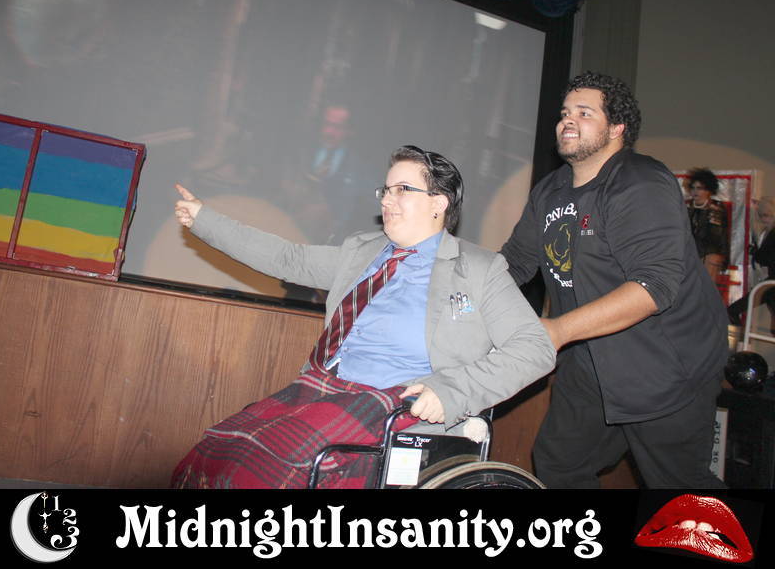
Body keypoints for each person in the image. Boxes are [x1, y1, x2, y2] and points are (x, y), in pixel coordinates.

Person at [171, 145, 555, 488]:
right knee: (216, 452)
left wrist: (453, 392)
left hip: (396, 404)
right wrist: (206, 221)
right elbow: (289, 259)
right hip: (323, 387)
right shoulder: (361, 251)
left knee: (266, 473)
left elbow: (535, 349)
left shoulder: (479, 270)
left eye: (402, 189)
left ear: (438, 203)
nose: (388, 199)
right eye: (386, 190)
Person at [501, 72, 728, 488]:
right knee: (559, 463)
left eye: (584, 113)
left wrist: (558, 330)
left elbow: (653, 286)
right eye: (565, 113)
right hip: (590, 362)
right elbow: (515, 263)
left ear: (617, 127)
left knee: (679, 489)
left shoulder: (640, 182)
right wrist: (461, 298)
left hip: (665, 366)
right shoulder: (550, 190)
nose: (568, 120)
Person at [727, 196, 775, 327]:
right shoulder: (766, 232)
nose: (764, 219)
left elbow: (768, 258)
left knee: (734, 309)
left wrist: (756, 253)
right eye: (761, 216)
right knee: (735, 309)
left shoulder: (770, 233)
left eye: (766, 215)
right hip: (769, 282)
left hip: (771, 282)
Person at [685, 167, 729, 284]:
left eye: (700, 188)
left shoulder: (716, 209)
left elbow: (720, 236)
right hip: (688, 255)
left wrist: (723, 258)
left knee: (706, 288)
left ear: (709, 190)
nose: (695, 191)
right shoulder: (685, 208)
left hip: (709, 255)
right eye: (693, 188)